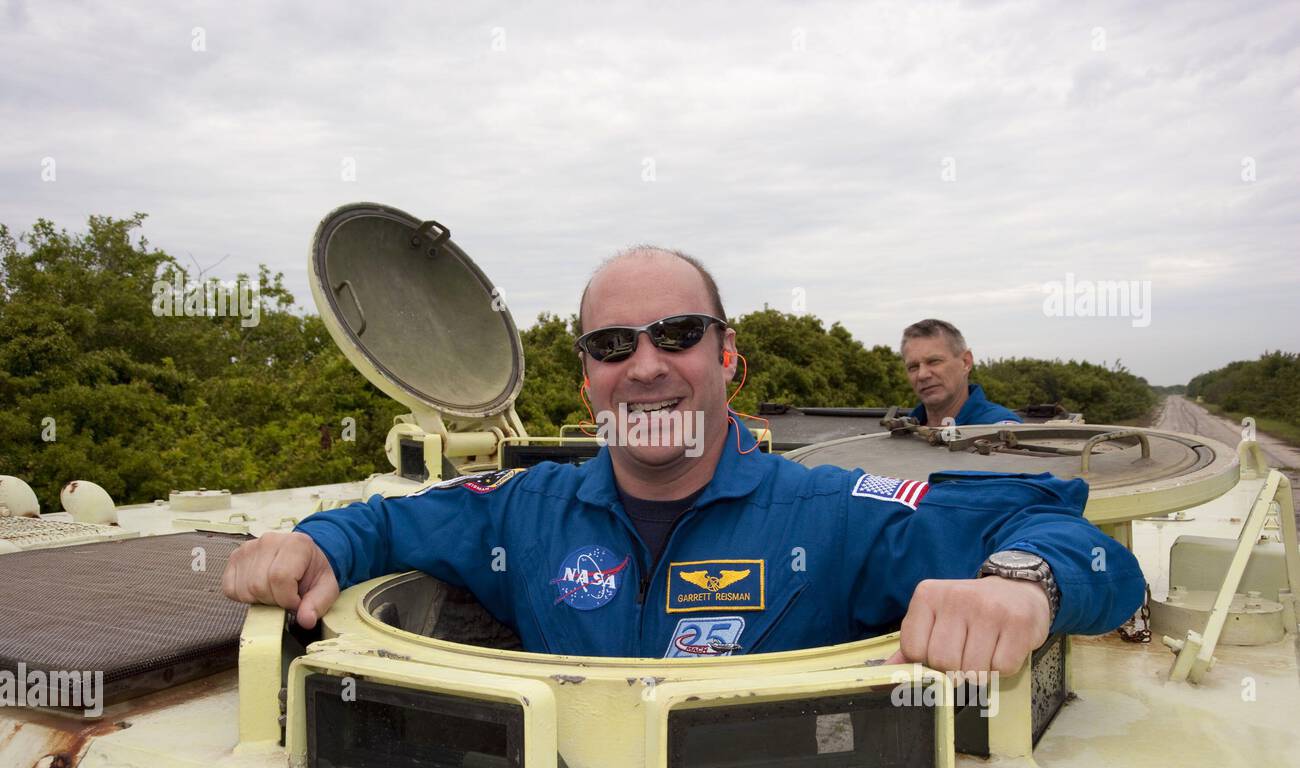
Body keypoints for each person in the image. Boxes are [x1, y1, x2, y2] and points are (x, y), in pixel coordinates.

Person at [222, 248, 1144, 673]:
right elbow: (386, 518)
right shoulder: (524, 512)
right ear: (587, 381)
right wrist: (311, 545)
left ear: (727, 356)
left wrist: (1026, 586)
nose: (648, 366)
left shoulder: (832, 512)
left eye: (677, 334)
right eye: (614, 345)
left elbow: (1073, 535)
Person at [902, 318, 1023, 426]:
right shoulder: (902, 431)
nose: (922, 375)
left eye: (934, 361)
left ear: (966, 362)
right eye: (913, 367)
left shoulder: (998, 430)